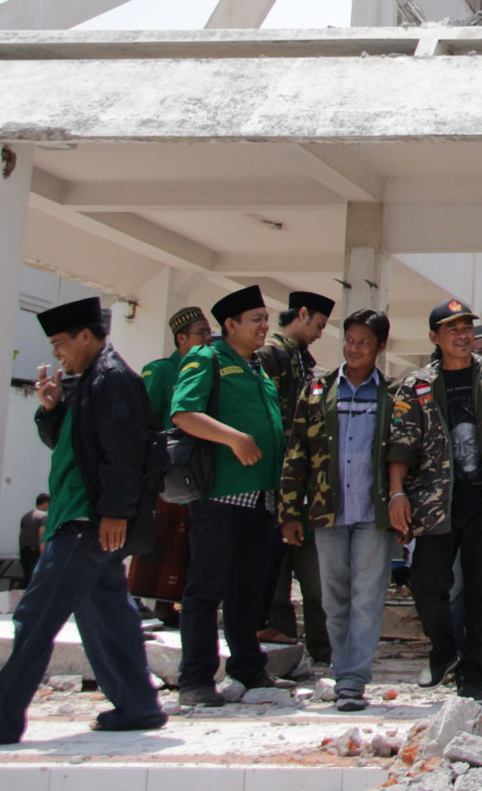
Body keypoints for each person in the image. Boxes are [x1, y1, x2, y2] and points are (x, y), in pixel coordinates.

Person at [0, 298, 164, 745]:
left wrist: (115, 512)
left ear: (86, 336)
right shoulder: (88, 381)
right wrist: (51, 408)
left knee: (35, 615)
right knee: (107, 617)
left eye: (60, 343)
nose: (56, 353)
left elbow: (126, 452)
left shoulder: (112, 379)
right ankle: (138, 705)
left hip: (86, 521)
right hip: (78, 516)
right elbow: (74, 449)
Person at [388, 298, 482, 700]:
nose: (462, 335)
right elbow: (401, 445)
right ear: (434, 337)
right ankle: (443, 650)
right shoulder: (416, 384)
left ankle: (473, 674)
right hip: (436, 501)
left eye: (467, 327)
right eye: (452, 329)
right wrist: (397, 493)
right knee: (427, 581)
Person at [169, 284, 286, 707]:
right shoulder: (207, 358)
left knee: (249, 590)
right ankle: (196, 678)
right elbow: (184, 413)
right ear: (231, 325)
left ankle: (249, 669)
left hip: (260, 498)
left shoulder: (257, 368)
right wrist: (235, 439)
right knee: (205, 588)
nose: (264, 326)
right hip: (221, 496)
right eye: (256, 319)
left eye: (265, 319)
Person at [278, 307, 393, 712]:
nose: (355, 349)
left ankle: (352, 680)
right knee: (334, 597)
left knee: (367, 596)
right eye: (349, 340)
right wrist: (290, 511)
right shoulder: (318, 390)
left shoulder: (393, 396)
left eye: (364, 342)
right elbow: (296, 453)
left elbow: (404, 457)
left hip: (373, 514)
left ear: (380, 347)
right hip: (327, 512)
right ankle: (343, 667)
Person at [255, 290, 334, 661]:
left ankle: (321, 648)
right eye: (317, 325)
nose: (319, 333)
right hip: (274, 478)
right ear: (301, 314)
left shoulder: (304, 362)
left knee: (314, 576)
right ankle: (278, 644)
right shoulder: (269, 357)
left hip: (305, 481)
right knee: (275, 572)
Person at [131, 307, 213, 621]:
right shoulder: (161, 370)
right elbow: (145, 419)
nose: (208, 339)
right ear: (181, 338)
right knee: (162, 536)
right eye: (201, 333)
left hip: (198, 468)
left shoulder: (210, 369)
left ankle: (175, 605)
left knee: (189, 540)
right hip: (167, 466)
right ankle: (150, 601)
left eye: (209, 333)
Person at [17, 496, 47, 585]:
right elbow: (41, 534)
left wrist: (21, 550)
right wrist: (43, 553)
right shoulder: (44, 516)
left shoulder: (26, 516)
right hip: (35, 550)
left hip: (24, 550)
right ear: (45, 503)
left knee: (27, 576)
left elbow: (21, 534)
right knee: (35, 578)